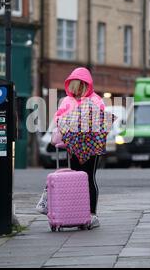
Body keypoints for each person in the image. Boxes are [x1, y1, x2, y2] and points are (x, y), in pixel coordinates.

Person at [36, 67, 105, 229]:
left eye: (80, 87)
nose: (77, 91)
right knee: (77, 180)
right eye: (74, 87)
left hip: (91, 145)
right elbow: (58, 118)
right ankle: (79, 213)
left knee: (89, 178)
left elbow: (100, 120)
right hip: (73, 145)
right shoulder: (67, 101)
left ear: (87, 85)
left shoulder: (96, 99)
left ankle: (92, 214)